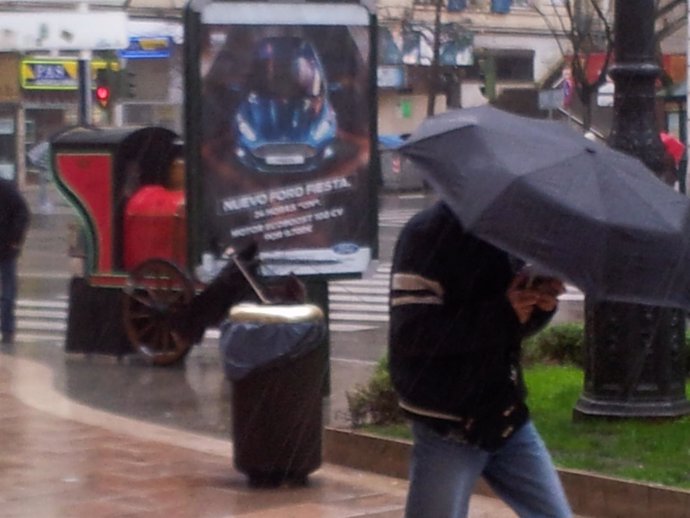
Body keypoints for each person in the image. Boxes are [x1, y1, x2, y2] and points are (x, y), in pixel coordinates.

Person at [388, 201, 571, 518]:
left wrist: (538, 303)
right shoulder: (427, 234)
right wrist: (504, 312)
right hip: (448, 422)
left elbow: (506, 329)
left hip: (504, 415)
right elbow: (413, 334)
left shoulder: (504, 235)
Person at [0, 179, 30, 345]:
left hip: (5, 248)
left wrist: (15, 238)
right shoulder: (7, 188)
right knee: (8, 291)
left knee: (8, 292)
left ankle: (7, 328)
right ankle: (7, 329)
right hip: (7, 247)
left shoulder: (6, 189)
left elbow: (22, 213)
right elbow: (23, 212)